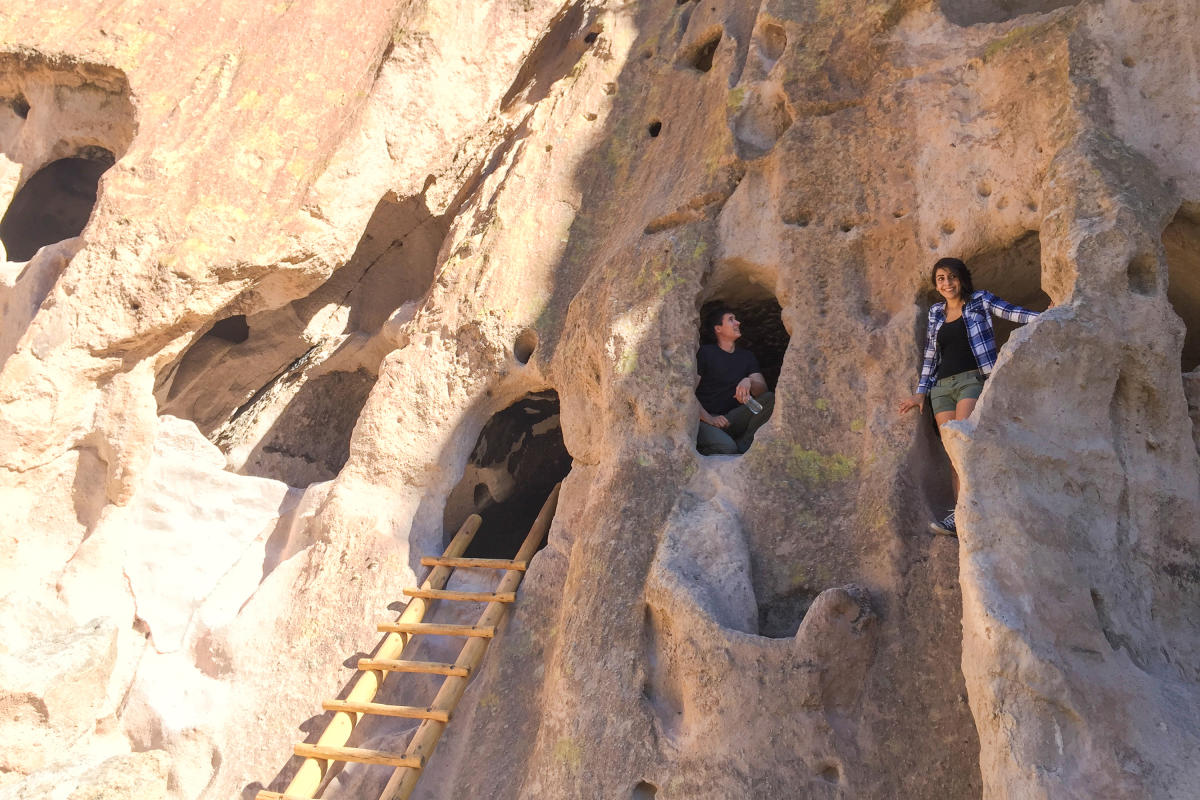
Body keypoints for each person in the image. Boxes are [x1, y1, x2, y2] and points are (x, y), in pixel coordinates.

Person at [898, 257, 1045, 535]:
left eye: (952, 277)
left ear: (962, 279)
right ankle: (959, 517)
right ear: (936, 284)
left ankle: (978, 511)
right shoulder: (935, 314)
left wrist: (1047, 315)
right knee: (953, 455)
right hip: (941, 389)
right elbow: (931, 354)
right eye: (940, 278)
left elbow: (1013, 313)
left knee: (964, 447)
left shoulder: (980, 301)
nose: (947, 283)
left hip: (971, 381)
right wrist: (921, 393)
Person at [695, 305, 775, 455]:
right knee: (727, 448)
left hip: (731, 418)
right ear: (718, 328)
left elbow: (763, 391)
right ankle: (729, 446)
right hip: (706, 419)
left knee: (770, 399)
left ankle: (744, 442)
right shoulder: (705, 353)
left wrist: (748, 381)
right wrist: (709, 419)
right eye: (731, 320)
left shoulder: (746, 357)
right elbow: (688, 392)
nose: (738, 323)